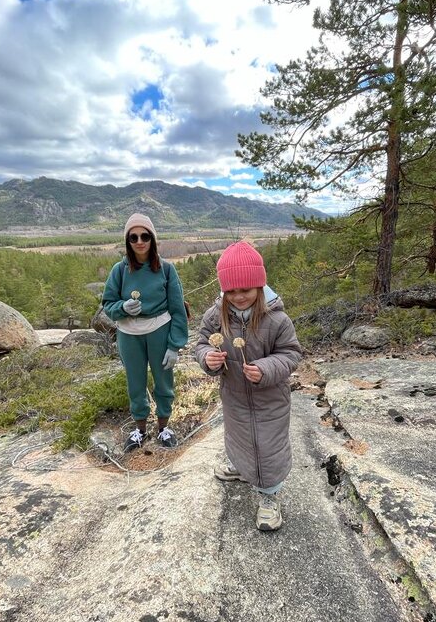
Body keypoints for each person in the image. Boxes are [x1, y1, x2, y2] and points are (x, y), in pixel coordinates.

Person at [195, 241, 302, 531]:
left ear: (259, 285)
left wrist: (266, 368)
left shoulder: (277, 319)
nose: (239, 296)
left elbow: (291, 353)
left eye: (246, 290)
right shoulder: (215, 316)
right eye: (231, 291)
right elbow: (202, 342)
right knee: (239, 437)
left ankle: (269, 494)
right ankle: (243, 469)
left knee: (269, 445)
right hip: (234, 396)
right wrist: (208, 358)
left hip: (271, 399)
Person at [102, 213, 188, 452]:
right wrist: (122, 307)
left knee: (163, 379)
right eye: (133, 237)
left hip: (159, 329)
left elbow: (178, 308)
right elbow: (108, 304)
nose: (140, 241)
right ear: (128, 241)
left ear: (153, 239)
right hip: (128, 334)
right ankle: (140, 429)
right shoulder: (119, 271)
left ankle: (163, 427)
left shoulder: (166, 269)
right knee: (135, 381)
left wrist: (175, 345)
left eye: (145, 236)